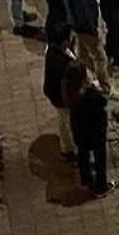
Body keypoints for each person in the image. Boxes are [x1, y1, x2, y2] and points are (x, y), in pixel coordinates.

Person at [61, 0, 108, 90]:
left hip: (75, 25)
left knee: (82, 53)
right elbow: (84, 16)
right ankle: (105, 86)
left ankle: (86, 76)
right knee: (100, 57)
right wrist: (94, 32)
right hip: (85, 29)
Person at [62, 61, 110, 195]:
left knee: (83, 154)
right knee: (99, 157)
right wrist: (95, 87)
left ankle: (86, 179)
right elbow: (102, 102)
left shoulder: (69, 91)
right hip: (95, 131)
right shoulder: (89, 94)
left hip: (79, 130)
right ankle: (101, 186)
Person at [42, 21, 78, 159]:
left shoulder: (52, 51)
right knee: (70, 123)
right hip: (62, 97)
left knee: (63, 120)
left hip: (54, 94)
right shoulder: (64, 62)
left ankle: (66, 148)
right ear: (64, 40)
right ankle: (74, 151)